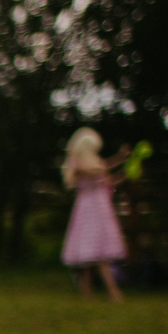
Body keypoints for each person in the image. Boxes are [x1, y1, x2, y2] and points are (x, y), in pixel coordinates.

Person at [59, 127, 128, 301]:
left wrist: (124, 169)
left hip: (100, 209)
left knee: (91, 254)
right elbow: (94, 170)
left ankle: (87, 293)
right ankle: (113, 293)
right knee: (95, 254)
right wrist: (117, 160)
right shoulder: (78, 165)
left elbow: (107, 179)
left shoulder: (94, 163)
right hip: (89, 210)